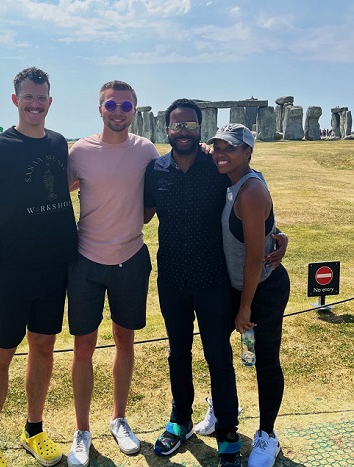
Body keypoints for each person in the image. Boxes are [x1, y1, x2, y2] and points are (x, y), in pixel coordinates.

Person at [144, 100, 287, 467]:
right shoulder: (154, 169)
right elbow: (142, 214)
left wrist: (277, 235)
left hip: (213, 279)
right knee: (178, 353)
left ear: (200, 127)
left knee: (218, 357)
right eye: (176, 126)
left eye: (190, 125)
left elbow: (254, 198)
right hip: (172, 277)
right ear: (166, 130)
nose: (183, 131)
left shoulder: (217, 166)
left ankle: (226, 431)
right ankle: (180, 420)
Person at [0, 67, 78, 467]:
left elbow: (54, 184)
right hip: (10, 270)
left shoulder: (57, 142)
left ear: (50, 101)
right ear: (15, 100)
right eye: (28, 97)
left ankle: (34, 429)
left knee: (44, 348)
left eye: (42, 97)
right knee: (0, 353)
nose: (35, 104)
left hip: (55, 267)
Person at [66, 80, 159, 467]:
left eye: (125, 105)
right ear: (100, 108)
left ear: (134, 111)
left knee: (125, 340)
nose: (118, 111)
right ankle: (82, 430)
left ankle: (119, 419)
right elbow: (54, 193)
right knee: (83, 345)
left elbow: (155, 197)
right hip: (86, 260)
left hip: (131, 258)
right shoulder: (80, 152)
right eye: (111, 104)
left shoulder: (146, 151)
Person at [196, 123, 290, 467]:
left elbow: (253, 258)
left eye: (230, 148)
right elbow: (265, 231)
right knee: (218, 352)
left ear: (248, 152)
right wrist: (280, 236)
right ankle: (224, 408)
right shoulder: (231, 179)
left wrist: (245, 308)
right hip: (234, 286)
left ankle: (267, 435)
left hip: (261, 288)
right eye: (217, 146)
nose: (221, 153)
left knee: (265, 360)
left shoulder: (249, 191)